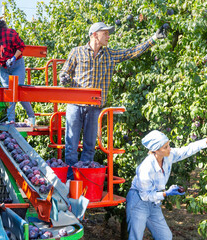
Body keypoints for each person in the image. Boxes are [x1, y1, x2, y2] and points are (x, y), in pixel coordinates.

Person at [60, 22, 168, 179]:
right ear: (94, 34)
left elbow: (131, 52)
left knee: (89, 147)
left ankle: (82, 180)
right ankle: (70, 182)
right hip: (75, 105)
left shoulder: (109, 55)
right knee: (71, 146)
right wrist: (64, 78)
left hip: (95, 107)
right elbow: (65, 72)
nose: (108, 36)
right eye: (106, 33)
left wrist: (153, 39)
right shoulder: (76, 52)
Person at [126, 130, 207, 240]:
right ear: (155, 150)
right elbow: (145, 195)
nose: (169, 149)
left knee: (165, 237)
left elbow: (185, 151)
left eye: (168, 145)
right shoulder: (146, 168)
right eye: (165, 147)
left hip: (153, 202)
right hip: (139, 201)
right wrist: (166, 193)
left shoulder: (168, 155)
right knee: (136, 237)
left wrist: (205, 141)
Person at [0, 12, 35, 125]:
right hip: (3, 67)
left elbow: (21, 46)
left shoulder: (9, 33)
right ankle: (11, 121)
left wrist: (14, 57)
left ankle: (31, 116)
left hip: (16, 65)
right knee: (8, 93)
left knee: (18, 90)